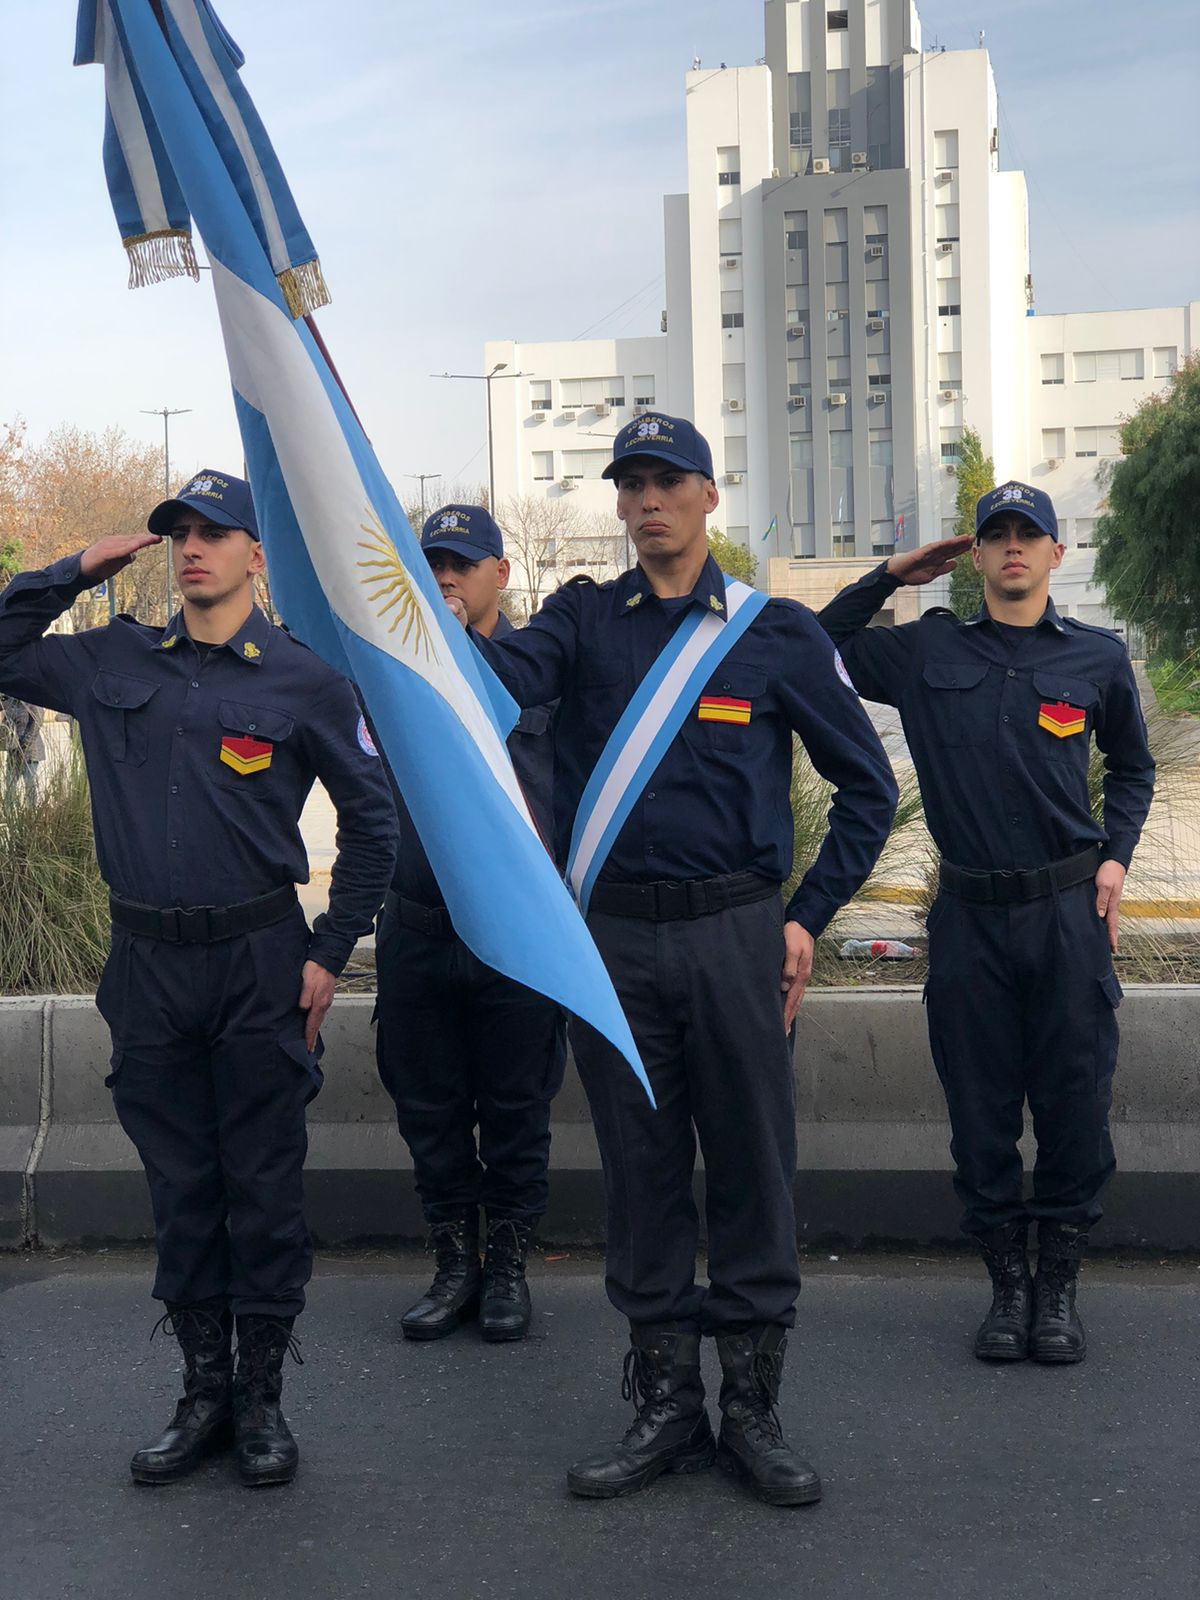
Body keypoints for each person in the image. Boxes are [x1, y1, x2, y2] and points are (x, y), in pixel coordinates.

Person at [457, 413, 897, 1506]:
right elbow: (482, 679)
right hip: (611, 940)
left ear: (710, 496)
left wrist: (806, 917)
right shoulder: (579, 624)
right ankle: (664, 1402)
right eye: (632, 483)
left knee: (750, 1164)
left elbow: (868, 789)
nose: (647, 499)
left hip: (736, 934)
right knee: (642, 1170)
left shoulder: (777, 634)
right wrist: (398, 607)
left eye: (668, 481)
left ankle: (750, 1407)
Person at [0, 470, 397, 1486]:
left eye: (215, 533)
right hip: (147, 964)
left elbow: (374, 823)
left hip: (259, 961)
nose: (191, 548)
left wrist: (330, 947)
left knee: (259, 1185)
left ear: (254, 555)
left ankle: (262, 1399)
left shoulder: (304, 681)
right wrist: (68, 571)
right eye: (178, 531)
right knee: (181, 1187)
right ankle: (202, 1390)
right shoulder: (113, 658)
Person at [818, 482, 1154, 1366]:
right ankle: (1006, 1286)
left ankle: (1059, 1290)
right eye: (996, 535)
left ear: (1054, 554)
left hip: (1067, 914)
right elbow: (814, 647)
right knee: (979, 1113)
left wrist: (1116, 857)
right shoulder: (926, 649)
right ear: (975, 557)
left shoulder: (1095, 657)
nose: (1012, 548)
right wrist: (891, 573)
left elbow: (1132, 767)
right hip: (969, 917)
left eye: (1027, 536)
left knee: (1075, 1109)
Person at [374, 504, 564, 1344]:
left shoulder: (546, 673)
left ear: (500, 573)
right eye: (432, 565)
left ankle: (509, 1268)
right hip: (418, 928)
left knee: (518, 1111)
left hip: (518, 936)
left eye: (461, 563)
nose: (445, 578)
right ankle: (455, 1263)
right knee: (430, 1111)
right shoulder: (395, 674)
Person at [0, 690, 44, 799]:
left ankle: (32, 813)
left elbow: (36, 723)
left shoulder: (32, 700)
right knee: (10, 787)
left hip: (30, 751)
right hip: (13, 751)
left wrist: (23, 745)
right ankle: (9, 813)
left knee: (30, 786)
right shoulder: (10, 700)